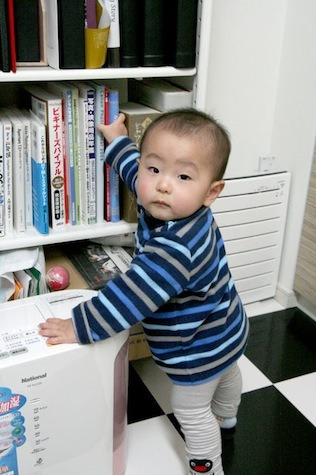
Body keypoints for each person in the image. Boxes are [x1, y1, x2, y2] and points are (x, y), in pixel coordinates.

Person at [39, 108, 249, 475]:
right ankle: (228, 418)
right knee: (228, 369)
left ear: (211, 192)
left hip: (196, 348)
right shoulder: (176, 204)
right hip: (229, 326)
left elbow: (128, 297)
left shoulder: (175, 251)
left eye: (183, 175)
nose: (163, 184)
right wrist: (117, 137)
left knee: (191, 408)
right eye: (155, 170)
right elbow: (133, 166)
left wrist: (77, 325)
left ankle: (208, 468)